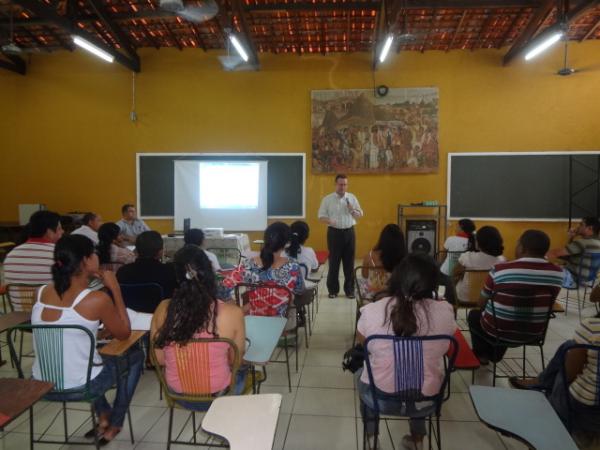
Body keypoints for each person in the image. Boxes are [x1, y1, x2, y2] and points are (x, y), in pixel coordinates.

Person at [31, 234, 143, 444]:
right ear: (85, 261)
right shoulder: (97, 299)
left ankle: (103, 415)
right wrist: (115, 289)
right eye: (93, 253)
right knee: (135, 356)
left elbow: (63, 330)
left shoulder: (41, 292)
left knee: (93, 356)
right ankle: (115, 422)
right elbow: (125, 333)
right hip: (81, 387)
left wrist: (95, 332)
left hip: (41, 384)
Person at [355, 254, 456, 450]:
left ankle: (370, 438)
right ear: (433, 283)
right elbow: (448, 343)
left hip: (381, 398)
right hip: (426, 399)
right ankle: (417, 439)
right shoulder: (446, 311)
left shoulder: (372, 310)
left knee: (361, 373)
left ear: (396, 278)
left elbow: (364, 345)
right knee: (420, 375)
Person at [151, 245, 248, 403]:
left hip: (177, 394)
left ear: (177, 277)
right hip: (218, 395)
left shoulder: (163, 309)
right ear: (210, 273)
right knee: (244, 368)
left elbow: (159, 360)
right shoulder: (233, 313)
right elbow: (234, 361)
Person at [468, 230, 563, 364]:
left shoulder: (500, 269)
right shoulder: (558, 273)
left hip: (498, 331)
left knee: (474, 315)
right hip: (534, 333)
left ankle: (483, 355)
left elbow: (481, 303)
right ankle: (494, 354)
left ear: (522, 248)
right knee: (511, 317)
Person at [509, 317, 600, 446]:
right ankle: (542, 385)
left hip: (585, 410)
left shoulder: (592, 326)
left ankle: (545, 401)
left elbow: (568, 374)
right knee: (568, 346)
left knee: (564, 365)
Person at [222, 222, 304, 317]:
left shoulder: (248, 264)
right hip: (281, 322)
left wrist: (238, 310)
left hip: (254, 320)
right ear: (287, 244)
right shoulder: (293, 266)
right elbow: (300, 290)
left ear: (265, 240)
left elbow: (222, 288)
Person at [4, 211, 64, 310]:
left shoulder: (11, 255)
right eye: (59, 229)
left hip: (19, 318)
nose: (63, 232)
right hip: (51, 316)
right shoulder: (59, 254)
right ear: (49, 232)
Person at [318, 174, 363, 299]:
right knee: (334, 263)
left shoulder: (352, 198)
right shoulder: (327, 199)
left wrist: (352, 210)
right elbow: (321, 216)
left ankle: (349, 290)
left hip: (349, 232)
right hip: (334, 233)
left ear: (347, 185)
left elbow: (360, 215)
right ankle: (333, 290)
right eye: (340, 184)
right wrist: (329, 221)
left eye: (345, 184)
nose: (342, 187)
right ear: (335, 184)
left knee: (349, 263)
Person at [117, 231, 177, 302]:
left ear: (136, 250)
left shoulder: (122, 272)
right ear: (160, 251)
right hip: (161, 311)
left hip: (129, 311)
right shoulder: (170, 271)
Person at [453, 225, 505, 303]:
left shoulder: (467, 256)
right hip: (489, 300)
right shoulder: (502, 260)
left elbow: (454, 273)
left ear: (480, 242)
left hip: (465, 298)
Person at [546, 216, 600, 288]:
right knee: (556, 265)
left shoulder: (582, 243)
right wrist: (571, 237)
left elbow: (554, 253)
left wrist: (536, 257)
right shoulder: (597, 242)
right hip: (588, 280)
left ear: (589, 228)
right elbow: (568, 255)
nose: (578, 226)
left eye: (581, 224)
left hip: (573, 280)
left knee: (544, 269)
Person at [360, 224, 406, 299]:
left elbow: (364, 276)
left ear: (382, 239)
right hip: (396, 298)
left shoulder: (369, 256)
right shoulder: (404, 259)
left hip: (373, 299)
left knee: (360, 284)